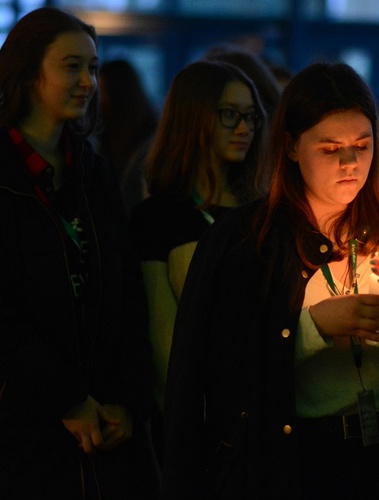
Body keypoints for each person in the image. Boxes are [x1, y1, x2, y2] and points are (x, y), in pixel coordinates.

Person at [162, 62, 379, 499]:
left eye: (362, 145)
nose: (349, 163)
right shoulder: (248, 242)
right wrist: (315, 325)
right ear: (289, 146)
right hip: (297, 464)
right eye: (329, 149)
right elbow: (222, 373)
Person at [0, 7, 159, 498]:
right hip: (23, 433)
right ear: (28, 74)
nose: (88, 82)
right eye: (72, 66)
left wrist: (126, 401)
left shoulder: (95, 173)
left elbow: (128, 294)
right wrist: (69, 400)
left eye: (92, 68)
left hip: (108, 430)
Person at [130, 60, 266, 415]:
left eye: (251, 116)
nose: (243, 128)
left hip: (268, 401)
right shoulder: (160, 216)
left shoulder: (264, 210)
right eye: (229, 114)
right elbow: (165, 341)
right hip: (200, 413)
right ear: (193, 117)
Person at [97, 58, 159, 218]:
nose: (98, 98)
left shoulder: (146, 137)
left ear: (119, 91)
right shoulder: (103, 130)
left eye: (103, 89)